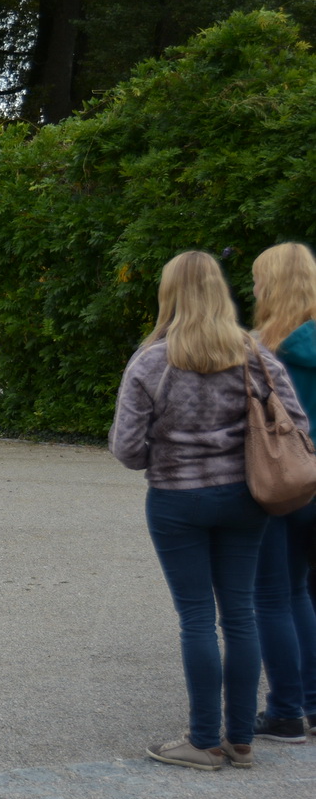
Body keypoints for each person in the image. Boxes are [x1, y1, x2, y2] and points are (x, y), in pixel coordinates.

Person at [110, 249, 301, 770]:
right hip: (245, 499)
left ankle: (202, 740)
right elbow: (297, 425)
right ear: (221, 291)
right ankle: (240, 740)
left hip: (176, 500)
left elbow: (127, 448)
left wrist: (168, 452)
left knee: (196, 617)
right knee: (240, 614)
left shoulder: (152, 361)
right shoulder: (256, 355)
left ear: (168, 294)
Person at [249, 242, 316, 745]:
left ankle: (287, 711)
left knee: (275, 595)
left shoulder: (258, 350)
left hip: (284, 481)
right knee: (309, 594)